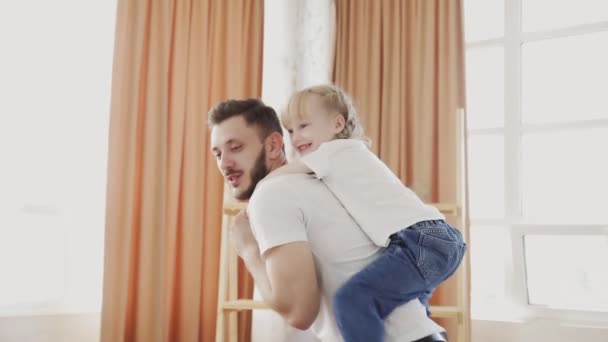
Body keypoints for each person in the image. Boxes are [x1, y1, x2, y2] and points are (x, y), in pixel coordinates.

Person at [209, 98, 449, 342]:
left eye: (236, 148)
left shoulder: (270, 193)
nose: (224, 163)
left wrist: (248, 248)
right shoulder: (314, 182)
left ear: (273, 145)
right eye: (218, 154)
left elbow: (299, 311)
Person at [265, 84, 466, 341]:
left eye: (304, 126)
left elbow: (289, 173)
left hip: (420, 241)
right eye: (290, 130)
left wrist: (261, 186)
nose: (295, 138)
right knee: (408, 311)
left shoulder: (333, 151)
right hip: (435, 240)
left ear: (337, 124)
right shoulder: (351, 156)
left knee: (352, 299)